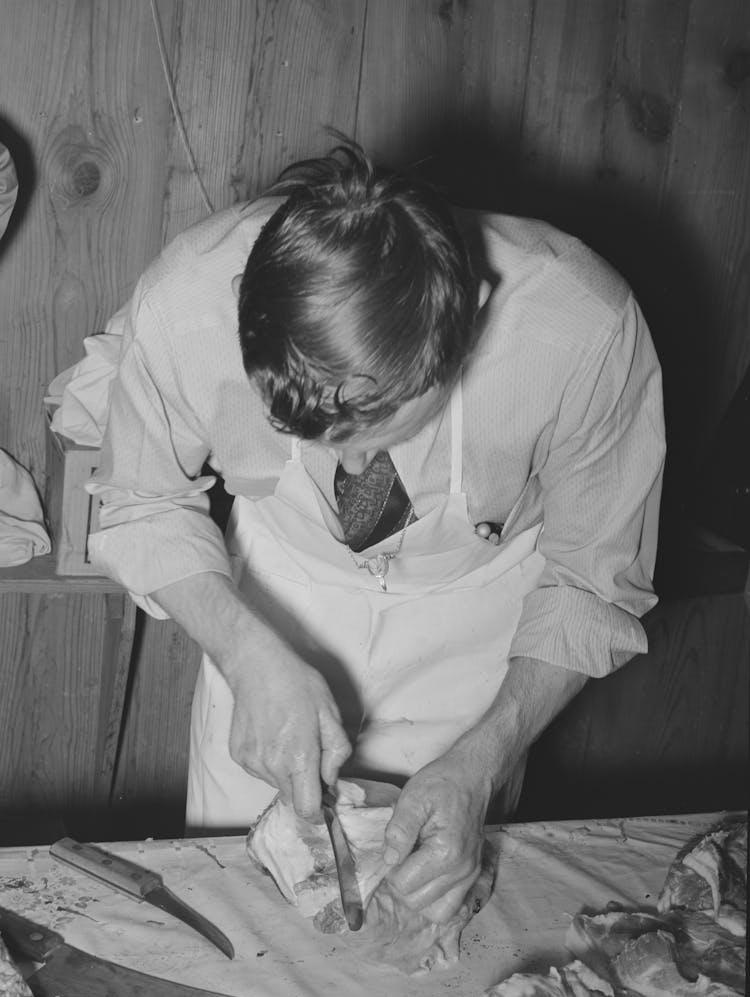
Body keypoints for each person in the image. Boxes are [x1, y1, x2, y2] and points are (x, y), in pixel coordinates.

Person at [87, 139, 665, 925]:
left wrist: (484, 759)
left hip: (475, 625)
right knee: (242, 918)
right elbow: (145, 502)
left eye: (382, 426)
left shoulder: (582, 330)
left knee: (430, 922)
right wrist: (245, 654)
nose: (353, 463)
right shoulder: (184, 304)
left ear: (475, 317)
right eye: (318, 436)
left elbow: (593, 583)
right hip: (275, 601)